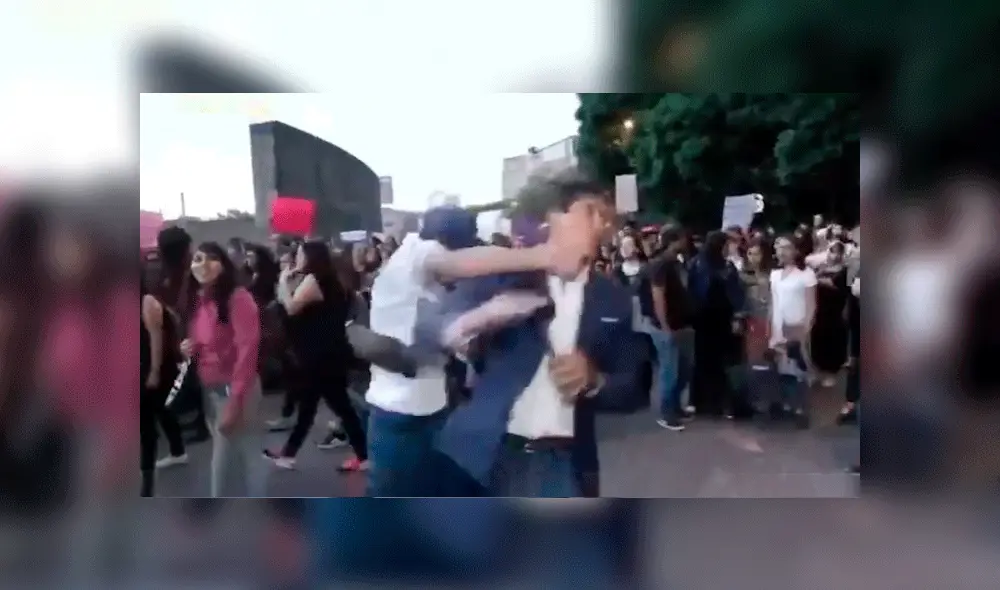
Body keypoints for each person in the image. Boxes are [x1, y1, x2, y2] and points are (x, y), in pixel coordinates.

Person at [418, 173, 648, 497]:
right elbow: (430, 318)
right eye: (589, 212)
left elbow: (634, 386)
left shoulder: (614, 298)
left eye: (606, 218)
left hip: (562, 463)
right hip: (482, 451)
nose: (601, 224)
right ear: (552, 219)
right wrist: (478, 325)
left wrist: (594, 380)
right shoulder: (506, 276)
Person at [265, 241, 369, 471]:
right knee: (318, 406)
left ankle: (363, 455)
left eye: (301, 254)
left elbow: (291, 307)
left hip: (318, 355)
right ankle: (289, 453)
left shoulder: (314, 281)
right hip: (329, 352)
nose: (297, 259)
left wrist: (283, 281)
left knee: (334, 406)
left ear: (311, 257)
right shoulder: (335, 282)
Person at [182, 242, 265, 497]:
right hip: (212, 389)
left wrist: (235, 401)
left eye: (211, 258)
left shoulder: (238, 298)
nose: (204, 264)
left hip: (236, 389)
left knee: (232, 461)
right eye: (198, 259)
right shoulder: (201, 300)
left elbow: (247, 349)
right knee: (233, 459)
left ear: (223, 264)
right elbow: (209, 339)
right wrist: (192, 346)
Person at [688, 231, 746, 418]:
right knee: (703, 360)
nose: (728, 248)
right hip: (704, 320)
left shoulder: (726, 267)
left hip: (721, 320)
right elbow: (691, 290)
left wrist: (737, 316)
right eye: (726, 245)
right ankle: (701, 402)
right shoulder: (698, 264)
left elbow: (736, 293)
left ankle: (718, 402)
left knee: (720, 362)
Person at [643, 226, 695, 431]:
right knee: (669, 371)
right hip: (667, 326)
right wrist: (665, 326)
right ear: (674, 240)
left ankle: (676, 406)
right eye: (682, 238)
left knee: (683, 370)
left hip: (682, 324)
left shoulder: (676, 262)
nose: (685, 242)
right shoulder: (660, 264)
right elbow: (658, 296)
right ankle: (666, 413)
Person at [140, 265, 186, 496]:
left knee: (148, 421)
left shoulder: (147, 302)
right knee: (158, 413)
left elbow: (156, 338)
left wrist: (154, 371)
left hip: (152, 367)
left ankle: (147, 480)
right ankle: (176, 450)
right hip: (141, 367)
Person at [768, 235, 817, 429]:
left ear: (796, 250)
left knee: (799, 369)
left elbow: (811, 304)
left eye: (786, 247)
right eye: (778, 247)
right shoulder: (774, 274)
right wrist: (770, 328)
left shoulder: (806, 274)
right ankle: (784, 404)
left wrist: (806, 328)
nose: (781, 251)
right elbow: (773, 302)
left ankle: (802, 410)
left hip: (797, 325)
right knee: (781, 367)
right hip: (778, 326)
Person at [811, 241, 850, 388]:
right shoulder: (821, 268)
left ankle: (832, 374)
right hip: (820, 311)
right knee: (818, 341)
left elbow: (838, 286)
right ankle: (818, 371)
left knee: (834, 343)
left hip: (835, 312)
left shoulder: (845, 270)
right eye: (832, 251)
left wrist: (818, 280)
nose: (835, 255)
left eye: (838, 252)